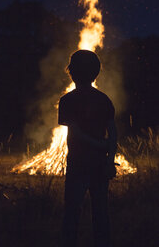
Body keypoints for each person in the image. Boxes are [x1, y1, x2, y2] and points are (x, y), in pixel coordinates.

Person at [58, 50, 117, 247]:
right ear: (96, 73)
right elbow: (113, 133)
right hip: (100, 164)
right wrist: (109, 157)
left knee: (72, 212)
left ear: (71, 73)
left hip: (77, 165)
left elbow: (75, 133)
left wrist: (99, 146)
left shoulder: (67, 101)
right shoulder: (104, 99)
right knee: (101, 212)